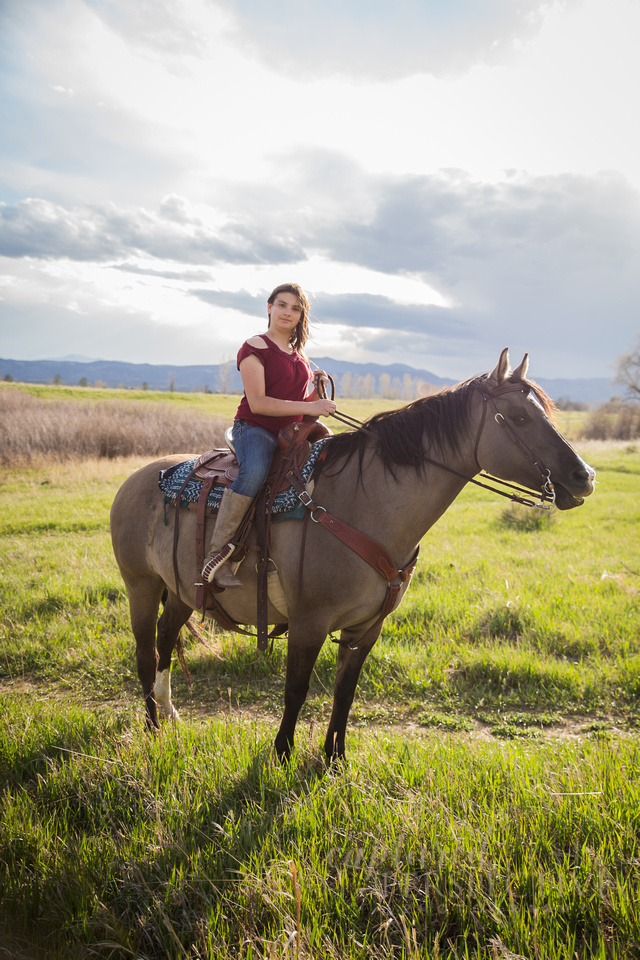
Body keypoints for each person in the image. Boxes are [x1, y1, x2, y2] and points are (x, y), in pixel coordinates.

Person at [202, 283, 337, 588]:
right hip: (255, 429)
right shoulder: (255, 347)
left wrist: (315, 398)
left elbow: (300, 408)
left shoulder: (299, 356)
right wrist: (310, 403)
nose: (288, 312)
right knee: (255, 471)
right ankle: (216, 555)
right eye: (282, 305)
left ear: (301, 315)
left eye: (295, 308)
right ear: (269, 307)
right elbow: (259, 403)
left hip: (290, 433)